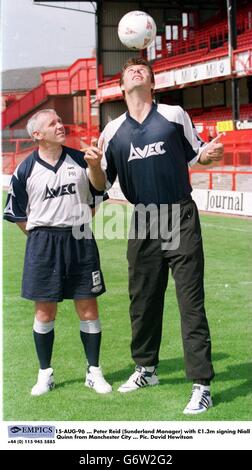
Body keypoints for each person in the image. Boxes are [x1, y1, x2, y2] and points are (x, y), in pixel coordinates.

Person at [85, 58, 224, 415]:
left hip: (179, 213)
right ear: (121, 87)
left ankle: (201, 385)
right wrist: (94, 167)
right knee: (142, 300)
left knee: (190, 302)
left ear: (151, 83)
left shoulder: (175, 115)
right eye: (130, 71)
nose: (136, 72)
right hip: (143, 219)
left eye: (143, 70)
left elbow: (197, 157)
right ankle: (146, 369)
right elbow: (102, 186)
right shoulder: (112, 131)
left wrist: (209, 155)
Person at [3, 109, 112, 396]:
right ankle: (45, 374)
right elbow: (17, 213)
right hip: (43, 244)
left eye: (60, 121)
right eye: (53, 123)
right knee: (45, 311)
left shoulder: (79, 159)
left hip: (79, 239)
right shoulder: (25, 169)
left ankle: (94, 371)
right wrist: (42, 235)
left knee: (88, 307)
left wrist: (96, 166)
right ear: (37, 134)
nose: (60, 125)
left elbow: (99, 192)